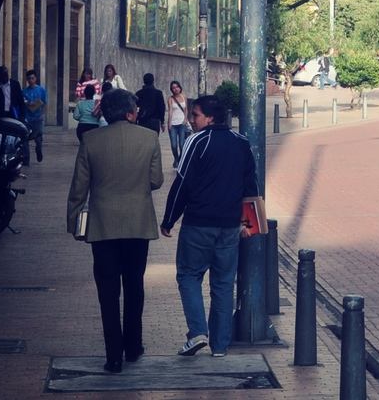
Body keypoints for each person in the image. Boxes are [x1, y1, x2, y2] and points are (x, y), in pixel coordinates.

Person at [66, 88, 163, 374]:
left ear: (106, 113)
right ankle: (133, 347)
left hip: (103, 226)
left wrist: (74, 221)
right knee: (134, 285)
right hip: (138, 225)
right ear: (131, 112)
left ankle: (113, 357)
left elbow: (78, 187)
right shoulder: (149, 138)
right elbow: (155, 180)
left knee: (107, 291)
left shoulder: (90, 140)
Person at [161, 95, 259, 358]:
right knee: (224, 283)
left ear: (210, 118)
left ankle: (197, 333)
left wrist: (169, 219)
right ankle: (220, 345)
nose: (192, 120)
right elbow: (251, 187)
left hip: (198, 225)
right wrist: (249, 223)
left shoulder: (196, 141)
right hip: (230, 226)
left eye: (195, 115)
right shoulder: (242, 143)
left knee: (189, 276)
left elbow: (182, 183)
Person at [0, 65, 29, 163]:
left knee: (19, 135)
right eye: (2, 76)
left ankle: (23, 157)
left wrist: (22, 116)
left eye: (6, 76)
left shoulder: (15, 84)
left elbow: (20, 101)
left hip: (12, 114)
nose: (4, 78)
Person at [23, 69, 48, 163]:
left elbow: (44, 103)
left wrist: (42, 114)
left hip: (38, 118)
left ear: (35, 79)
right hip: (27, 118)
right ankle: (26, 159)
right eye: (29, 78)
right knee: (24, 137)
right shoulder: (24, 91)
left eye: (32, 78)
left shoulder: (41, 90)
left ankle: (38, 150)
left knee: (38, 138)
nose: (30, 80)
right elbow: (23, 103)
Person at [167, 81, 190, 163]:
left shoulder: (184, 96)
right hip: (173, 124)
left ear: (180, 87)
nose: (175, 89)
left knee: (181, 144)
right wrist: (169, 123)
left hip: (182, 124)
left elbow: (186, 109)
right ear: (171, 89)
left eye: (177, 87)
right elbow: (170, 111)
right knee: (174, 145)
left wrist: (185, 119)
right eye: (173, 88)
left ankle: (181, 160)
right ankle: (176, 159)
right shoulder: (170, 99)